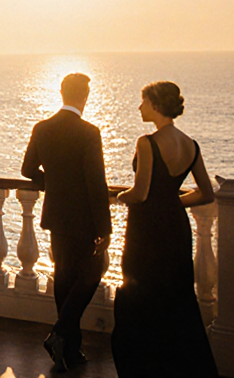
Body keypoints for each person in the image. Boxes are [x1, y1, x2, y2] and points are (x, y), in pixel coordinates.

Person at [112, 81, 218, 378]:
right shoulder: (190, 145)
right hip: (175, 229)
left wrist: (120, 197)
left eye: (143, 101)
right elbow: (205, 194)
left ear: (155, 105)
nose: (139, 107)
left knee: (139, 291)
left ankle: (142, 367)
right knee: (176, 295)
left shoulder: (147, 142)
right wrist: (173, 204)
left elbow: (141, 192)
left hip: (147, 231)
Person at [20, 73, 111, 372]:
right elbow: (97, 184)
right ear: (85, 96)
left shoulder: (42, 128)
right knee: (92, 272)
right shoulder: (89, 132)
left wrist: (55, 184)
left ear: (61, 93)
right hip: (84, 217)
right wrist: (105, 229)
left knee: (64, 277)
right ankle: (62, 336)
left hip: (57, 216)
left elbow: (27, 169)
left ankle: (70, 348)